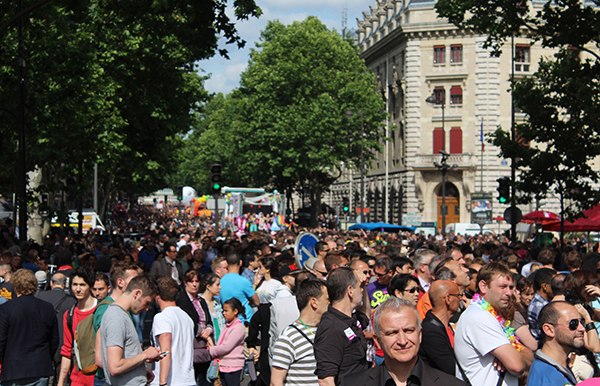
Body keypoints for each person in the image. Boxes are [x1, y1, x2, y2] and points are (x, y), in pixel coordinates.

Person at [341, 297, 465, 386]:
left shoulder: (451, 384)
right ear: (377, 341)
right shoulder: (352, 383)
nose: (402, 341)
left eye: (409, 331)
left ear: (420, 335)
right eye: (392, 333)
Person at [454, 263, 534, 386]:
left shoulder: (493, 316)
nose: (509, 293)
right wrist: (512, 357)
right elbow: (516, 366)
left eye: (511, 287)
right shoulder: (479, 316)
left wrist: (512, 353)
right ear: (483, 286)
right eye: (503, 286)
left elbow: (529, 354)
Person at [98, 274, 162, 386]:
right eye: (147, 302)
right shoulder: (116, 317)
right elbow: (115, 367)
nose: (147, 308)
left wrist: (140, 368)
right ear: (137, 294)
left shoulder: (121, 314)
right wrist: (145, 355)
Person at [0, 269, 60, 386]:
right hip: (40, 367)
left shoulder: (7, 309)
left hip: (14, 369)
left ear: (15, 286)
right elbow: (54, 339)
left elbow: (1, 340)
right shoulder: (47, 308)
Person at [314, 267, 370, 386]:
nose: (362, 291)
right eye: (359, 288)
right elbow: (325, 381)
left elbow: (366, 316)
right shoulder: (331, 328)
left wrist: (363, 286)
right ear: (350, 291)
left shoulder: (349, 320)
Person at [271, 279, 329, 386]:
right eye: (327, 300)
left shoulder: (326, 331)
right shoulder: (288, 338)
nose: (330, 304)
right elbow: (275, 382)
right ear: (314, 302)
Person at [93, 261, 140, 386]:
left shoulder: (122, 309)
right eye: (134, 280)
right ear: (120, 282)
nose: (138, 285)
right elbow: (100, 358)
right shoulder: (106, 310)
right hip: (106, 380)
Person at [150, 277, 196, 386]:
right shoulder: (187, 317)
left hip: (172, 381)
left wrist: (162, 382)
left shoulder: (162, 317)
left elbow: (166, 351)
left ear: (158, 297)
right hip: (188, 380)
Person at [526, 302, 582, 386]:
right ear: (549, 330)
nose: (582, 328)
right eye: (574, 324)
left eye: (582, 322)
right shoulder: (547, 378)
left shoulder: (557, 367)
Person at [58, 267, 98, 386]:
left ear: (90, 287)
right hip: (77, 380)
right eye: (75, 284)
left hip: (99, 379)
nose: (78, 289)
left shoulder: (101, 310)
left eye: (82, 285)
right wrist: (60, 383)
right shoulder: (69, 315)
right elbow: (66, 350)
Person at [36, 272, 77, 385]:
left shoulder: (40, 297)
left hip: (44, 344)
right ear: (65, 285)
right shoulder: (71, 301)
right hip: (63, 345)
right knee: (62, 379)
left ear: (51, 283)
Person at [176, 269, 214, 386]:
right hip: (191, 344)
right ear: (185, 282)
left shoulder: (201, 300)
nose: (194, 284)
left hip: (204, 346)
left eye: (197, 281)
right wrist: (201, 332)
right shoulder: (181, 299)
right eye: (191, 281)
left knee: (204, 379)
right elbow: (185, 321)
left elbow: (208, 319)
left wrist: (208, 329)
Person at [419, 280, 461, 376]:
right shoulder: (430, 331)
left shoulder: (445, 326)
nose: (461, 299)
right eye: (458, 295)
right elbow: (451, 369)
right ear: (448, 299)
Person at [208, 298, 246, 386]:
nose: (223, 313)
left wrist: (212, 350)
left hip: (233, 367)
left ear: (235, 311)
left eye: (226, 311)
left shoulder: (238, 327)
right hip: (223, 366)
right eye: (223, 311)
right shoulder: (227, 325)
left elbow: (226, 347)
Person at [220, 252, 260, 323]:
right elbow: (257, 302)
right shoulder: (243, 281)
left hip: (228, 322)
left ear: (227, 264)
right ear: (240, 262)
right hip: (244, 322)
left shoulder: (220, 281)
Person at [528, 268, 557, 339]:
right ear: (544, 286)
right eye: (554, 284)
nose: (556, 287)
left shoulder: (544, 302)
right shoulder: (539, 306)